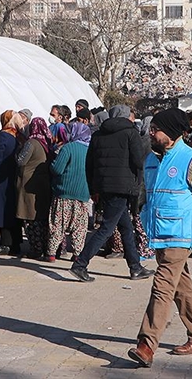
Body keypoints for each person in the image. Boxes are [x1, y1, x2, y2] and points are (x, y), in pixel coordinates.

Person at [127, 108, 192, 368]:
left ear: (171, 133)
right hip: (158, 232)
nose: (151, 132)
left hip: (180, 234)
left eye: (156, 129)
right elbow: (147, 193)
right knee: (181, 286)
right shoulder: (151, 159)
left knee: (162, 286)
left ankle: (146, 344)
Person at [69, 105, 154, 282]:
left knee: (126, 228)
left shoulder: (98, 134)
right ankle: (80, 263)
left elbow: (89, 163)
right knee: (107, 228)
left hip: (103, 186)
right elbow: (138, 161)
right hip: (123, 186)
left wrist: (93, 188)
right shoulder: (131, 133)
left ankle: (135, 266)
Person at [47, 122, 91, 262]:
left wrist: (51, 164)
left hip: (64, 193)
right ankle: (77, 254)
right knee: (79, 227)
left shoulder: (68, 148)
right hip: (83, 194)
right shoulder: (90, 151)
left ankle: (51, 254)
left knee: (58, 225)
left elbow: (57, 169)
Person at [16, 117, 54, 259]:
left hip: (30, 184)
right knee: (42, 218)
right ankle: (44, 246)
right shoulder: (46, 142)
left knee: (31, 218)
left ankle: (35, 249)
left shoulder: (31, 143)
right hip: (44, 183)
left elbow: (21, 161)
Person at [0, 110, 22, 255]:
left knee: (1, 210)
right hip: (12, 178)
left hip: (1, 177)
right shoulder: (16, 136)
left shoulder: (3, 135)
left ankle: (5, 243)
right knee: (11, 210)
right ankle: (15, 243)